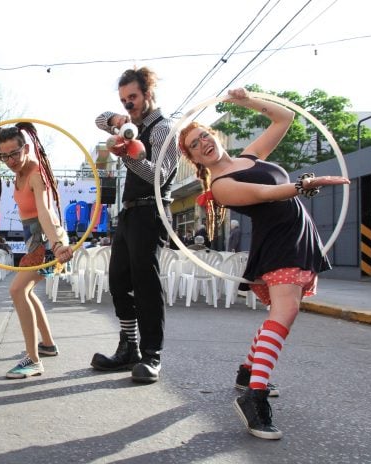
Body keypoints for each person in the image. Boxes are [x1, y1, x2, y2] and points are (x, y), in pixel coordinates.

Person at [178, 87, 349, 439]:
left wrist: (247, 100)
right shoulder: (223, 185)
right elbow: (267, 194)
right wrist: (305, 184)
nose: (204, 143)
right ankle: (254, 398)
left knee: (285, 311)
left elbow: (284, 117)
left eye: (205, 135)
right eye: (195, 144)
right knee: (284, 313)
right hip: (279, 245)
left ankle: (247, 371)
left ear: (215, 135)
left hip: (299, 238)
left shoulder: (251, 156)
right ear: (195, 158)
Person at [90, 67, 179, 384]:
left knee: (145, 284)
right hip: (129, 212)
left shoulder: (163, 128)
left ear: (148, 93)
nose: (128, 105)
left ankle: (151, 354)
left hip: (152, 210)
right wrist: (119, 123)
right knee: (117, 280)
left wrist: (129, 156)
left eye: (133, 98)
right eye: (124, 100)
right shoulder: (132, 125)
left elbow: (159, 177)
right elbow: (99, 118)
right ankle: (128, 346)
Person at [0, 123, 73, 379]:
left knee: (16, 290)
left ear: (26, 149)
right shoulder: (14, 164)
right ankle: (47, 344)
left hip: (48, 241)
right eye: (4, 156)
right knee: (25, 290)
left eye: (14, 154)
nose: (9, 161)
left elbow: (46, 213)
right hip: (35, 241)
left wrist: (57, 245)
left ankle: (33, 360)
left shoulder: (37, 174)